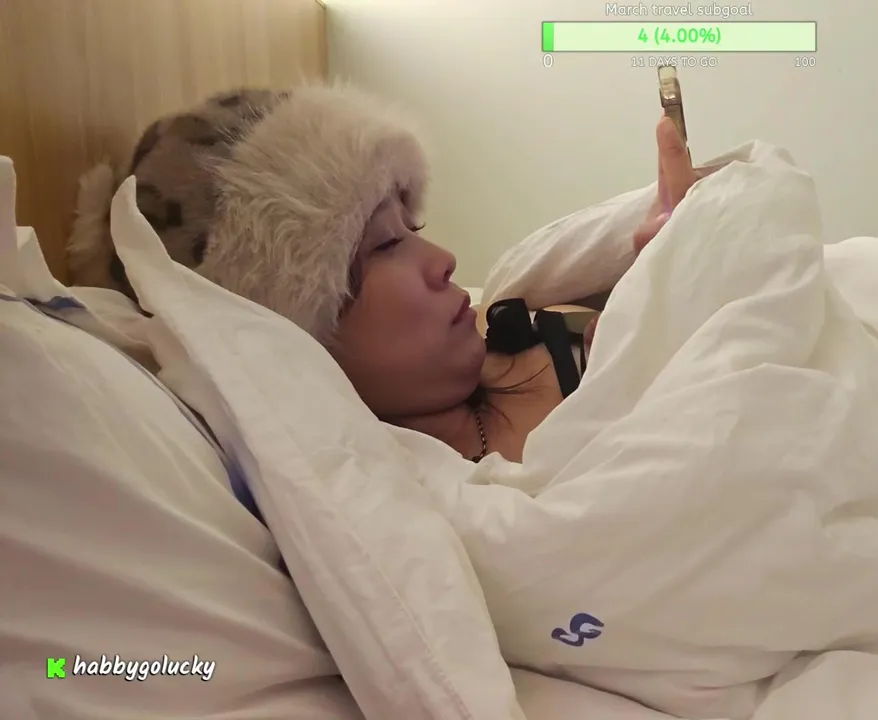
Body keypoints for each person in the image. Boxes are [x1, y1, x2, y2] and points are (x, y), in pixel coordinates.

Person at [67, 84, 711, 463]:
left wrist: (672, 295)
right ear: (290, 332)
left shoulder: (557, 332)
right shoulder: (380, 509)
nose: (443, 260)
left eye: (415, 228)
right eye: (384, 245)